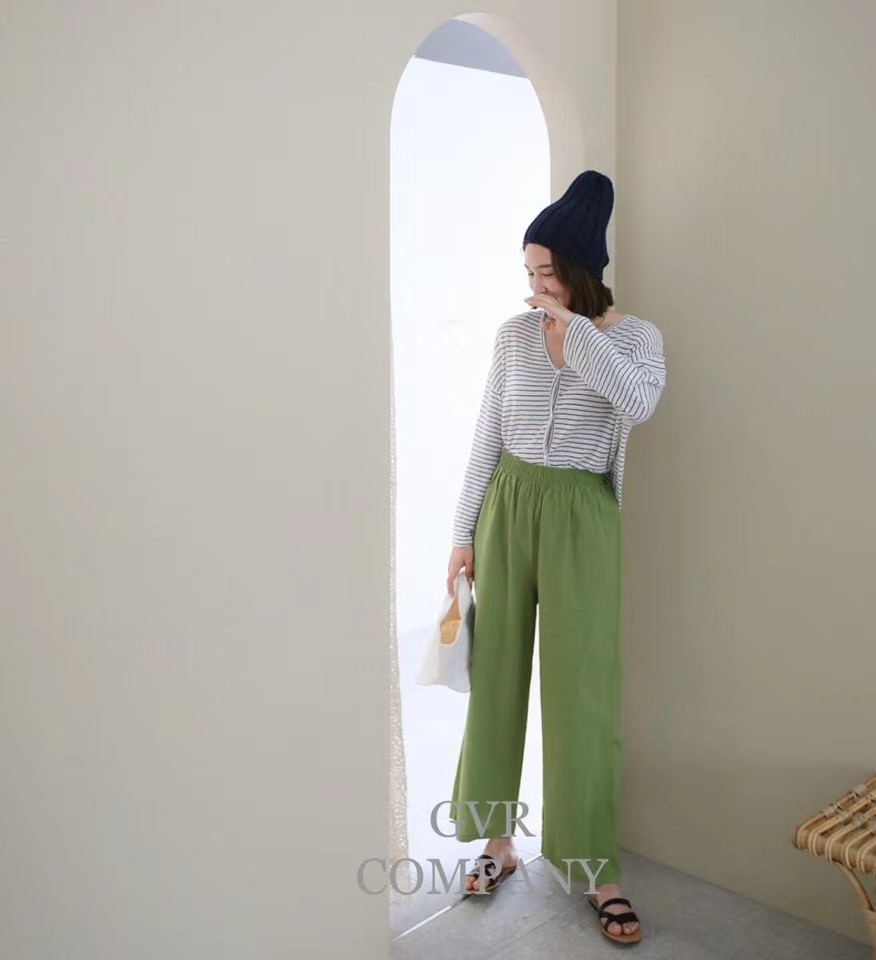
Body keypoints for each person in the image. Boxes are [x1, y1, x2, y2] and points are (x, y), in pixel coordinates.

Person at [444, 170, 666, 946]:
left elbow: (639, 402)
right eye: (529, 270)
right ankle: (496, 842)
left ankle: (595, 867)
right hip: (508, 504)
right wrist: (461, 535)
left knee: (584, 693)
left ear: (578, 269)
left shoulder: (633, 338)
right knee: (496, 677)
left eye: (546, 271)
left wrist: (577, 334)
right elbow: (486, 435)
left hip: (582, 516)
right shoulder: (513, 336)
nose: (534, 284)